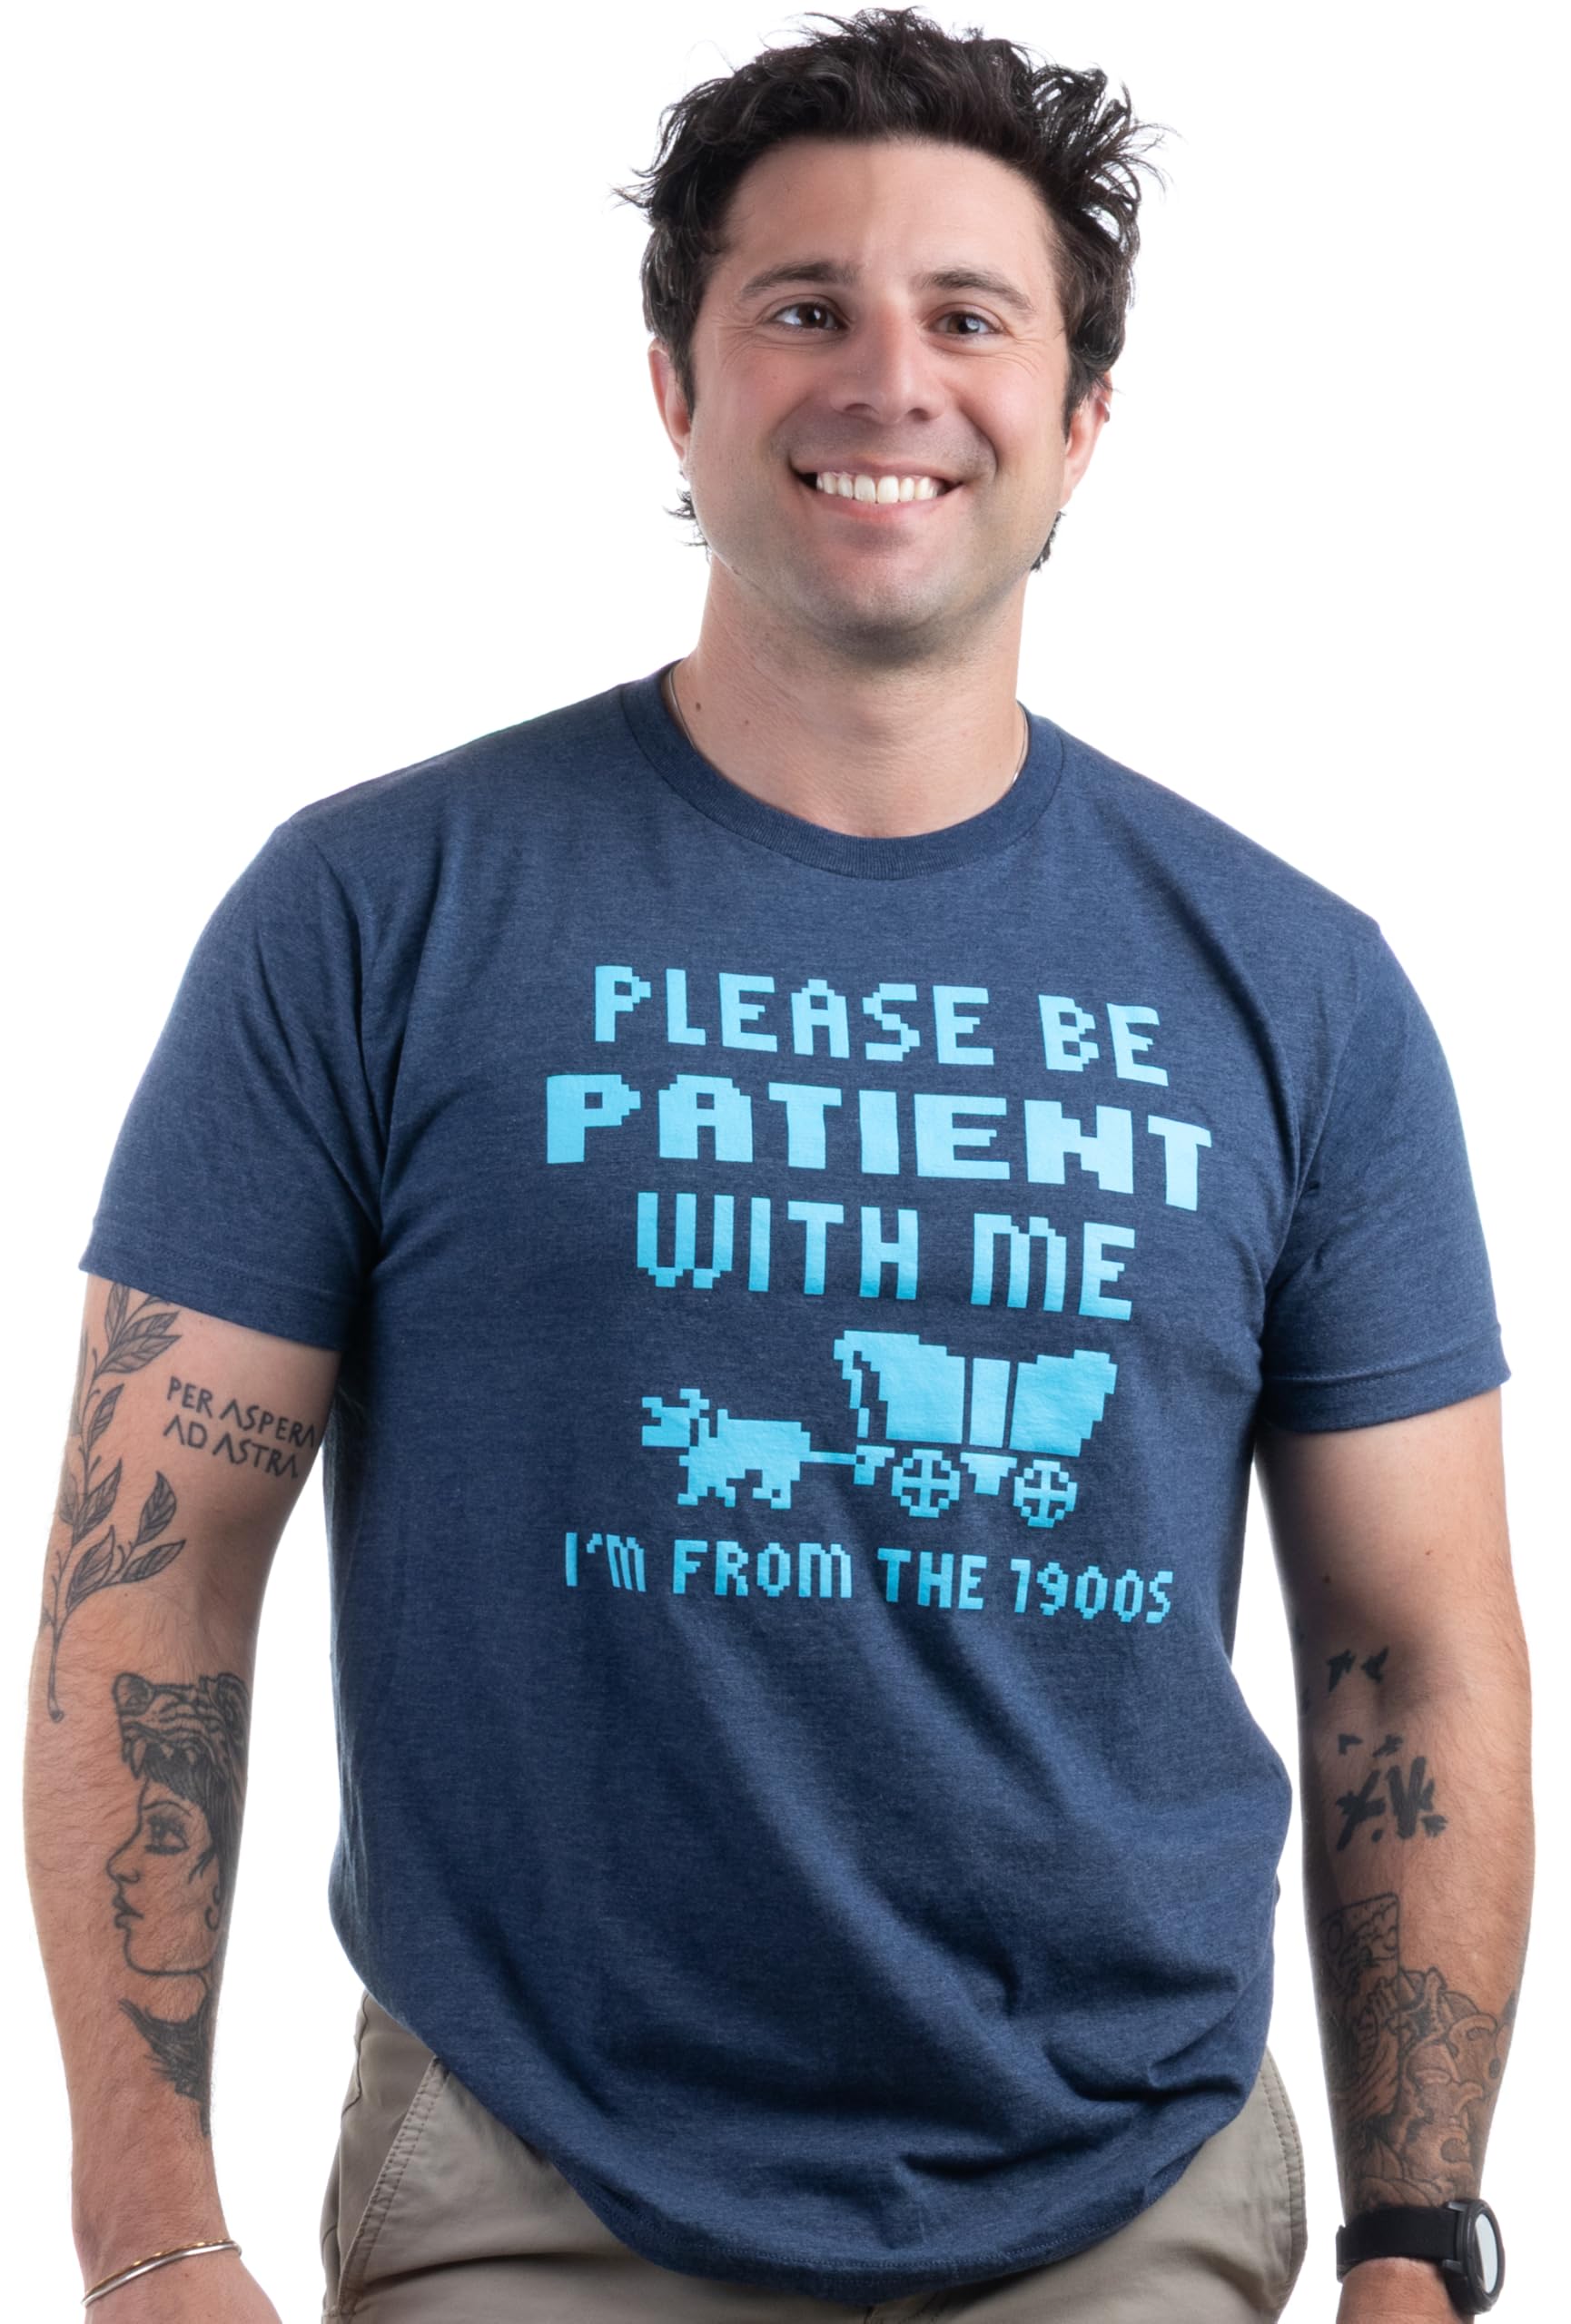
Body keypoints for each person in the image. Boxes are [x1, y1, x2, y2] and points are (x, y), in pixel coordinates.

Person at [24, 7, 1531, 2320]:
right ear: (677, 385)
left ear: (1082, 419)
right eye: (805, 307)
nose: (888, 380)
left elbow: (1412, 1642)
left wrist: (1416, 2244)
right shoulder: (374, 912)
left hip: (1130, 2192)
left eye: (971, 317)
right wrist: (148, 2233)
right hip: (531, 2180)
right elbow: (152, 1564)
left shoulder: (1295, 985)